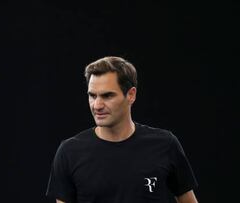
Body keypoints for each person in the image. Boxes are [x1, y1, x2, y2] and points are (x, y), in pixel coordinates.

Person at [46, 56, 198, 203]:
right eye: (92, 96)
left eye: (107, 96)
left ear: (131, 95)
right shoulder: (70, 152)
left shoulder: (165, 145)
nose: (97, 105)